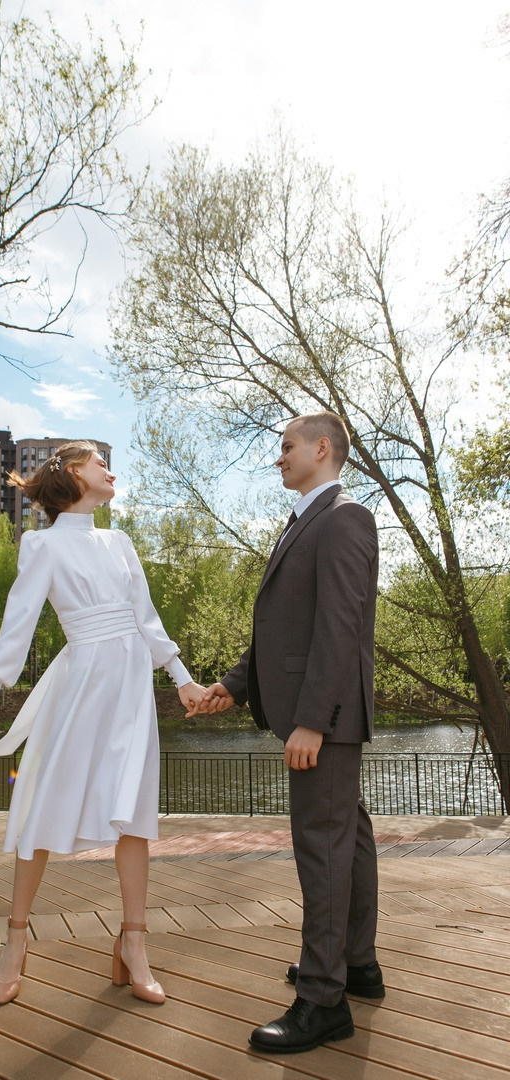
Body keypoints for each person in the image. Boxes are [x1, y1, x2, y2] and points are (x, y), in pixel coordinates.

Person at [0, 441, 205, 1007]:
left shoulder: (121, 542)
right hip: (82, 684)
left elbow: (147, 619)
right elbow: (17, 627)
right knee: (40, 809)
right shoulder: (41, 546)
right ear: (72, 473)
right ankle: (15, 944)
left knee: (135, 814)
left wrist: (182, 679)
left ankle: (134, 944)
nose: (111, 472)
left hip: (133, 688)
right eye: (100, 463)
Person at [197, 412, 383, 1054]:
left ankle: (323, 998)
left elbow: (338, 628)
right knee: (347, 836)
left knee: (322, 848)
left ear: (322, 448)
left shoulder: (344, 518)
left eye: (286, 447)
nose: (278, 458)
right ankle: (356, 964)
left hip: (322, 720)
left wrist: (311, 721)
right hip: (316, 713)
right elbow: (282, 626)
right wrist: (236, 683)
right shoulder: (308, 518)